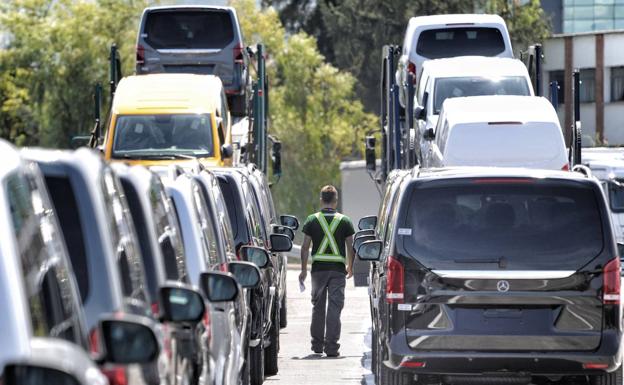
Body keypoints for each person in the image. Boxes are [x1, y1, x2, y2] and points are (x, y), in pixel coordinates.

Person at [299, 185, 355, 357]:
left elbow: (304, 247)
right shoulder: (344, 221)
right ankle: (331, 347)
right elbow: (351, 247)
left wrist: (303, 270)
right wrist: (350, 267)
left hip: (318, 271)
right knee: (334, 308)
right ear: (336, 201)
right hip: (338, 271)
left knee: (318, 308)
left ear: (321, 200)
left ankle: (317, 345)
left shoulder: (311, 220)